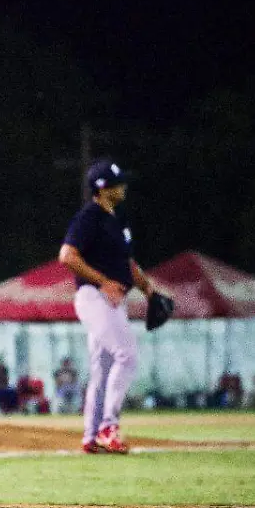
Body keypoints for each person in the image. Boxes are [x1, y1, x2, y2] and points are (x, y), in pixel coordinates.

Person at [59, 158, 166, 454]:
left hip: (111, 299)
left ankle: (92, 434)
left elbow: (126, 263)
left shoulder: (118, 218)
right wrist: (104, 281)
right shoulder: (90, 216)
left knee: (104, 369)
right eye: (117, 183)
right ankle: (108, 426)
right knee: (127, 355)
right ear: (102, 188)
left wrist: (148, 289)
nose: (123, 187)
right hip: (94, 296)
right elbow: (67, 256)